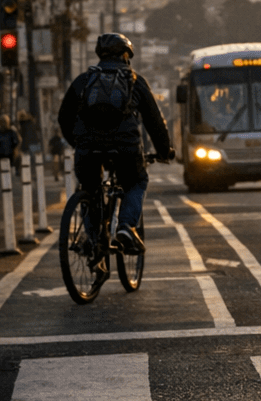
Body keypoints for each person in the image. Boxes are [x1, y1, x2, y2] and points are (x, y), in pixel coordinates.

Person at [57, 33, 174, 254]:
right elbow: (154, 121)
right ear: (125, 56)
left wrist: (78, 144)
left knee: (90, 189)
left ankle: (93, 240)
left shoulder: (83, 81)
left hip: (87, 148)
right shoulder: (135, 81)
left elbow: (64, 117)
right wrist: (164, 151)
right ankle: (126, 227)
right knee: (136, 181)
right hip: (125, 147)